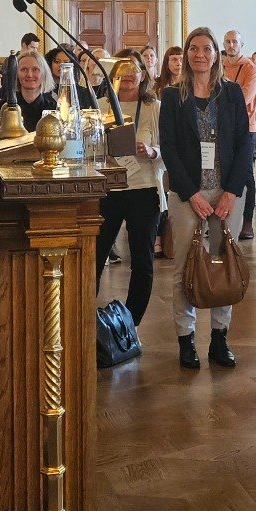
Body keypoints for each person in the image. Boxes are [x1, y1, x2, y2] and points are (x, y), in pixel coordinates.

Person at [159, 25, 251, 370]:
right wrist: (191, 193)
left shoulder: (231, 94)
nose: (200, 54)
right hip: (188, 192)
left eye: (207, 49)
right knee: (185, 265)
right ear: (186, 54)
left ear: (217, 55)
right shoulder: (172, 96)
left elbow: (245, 144)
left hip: (226, 190)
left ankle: (219, 338)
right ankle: (186, 340)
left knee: (220, 261)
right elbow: (167, 147)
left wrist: (231, 192)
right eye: (194, 48)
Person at [96, 59, 162, 327]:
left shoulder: (153, 108)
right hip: (109, 189)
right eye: (121, 71)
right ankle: (84, 318)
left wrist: (151, 151)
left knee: (143, 259)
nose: (127, 76)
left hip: (144, 188)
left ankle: (133, 322)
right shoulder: (101, 107)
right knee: (96, 255)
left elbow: (169, 148)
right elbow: (87, 148)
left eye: (133, 70)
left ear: (143, 75)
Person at [221, 29, 256, 240]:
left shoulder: (250, 68)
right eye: (227, 41)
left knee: (246, 174)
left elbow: (245, 97)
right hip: (220, 127)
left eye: (234, 41)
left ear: (241, 44)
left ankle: (247, 221)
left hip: (245, 127)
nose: (230, 45)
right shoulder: (219, 65)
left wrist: (223, 100)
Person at [0, 44, 55, 137]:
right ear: (16, 74)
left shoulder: (53, 109)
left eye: (35, 69)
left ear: (44, 74)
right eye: (24, 69)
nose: (29, 74)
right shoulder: (3, 107)